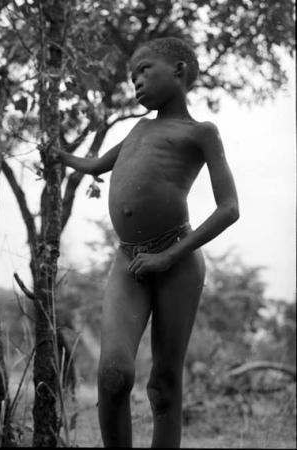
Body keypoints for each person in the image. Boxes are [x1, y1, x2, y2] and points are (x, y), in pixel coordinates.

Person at [52, 37, 239, 447]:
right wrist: (60, 155)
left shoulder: (201, 132)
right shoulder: (139, 128)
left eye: (144, 69)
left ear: (179, 70)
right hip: (128, 262)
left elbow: (229, 209)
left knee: (164, 386)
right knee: (113, 374)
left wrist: (168, 256)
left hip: (177, 261)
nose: (134, 80)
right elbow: (98, 164)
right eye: (131, 75)